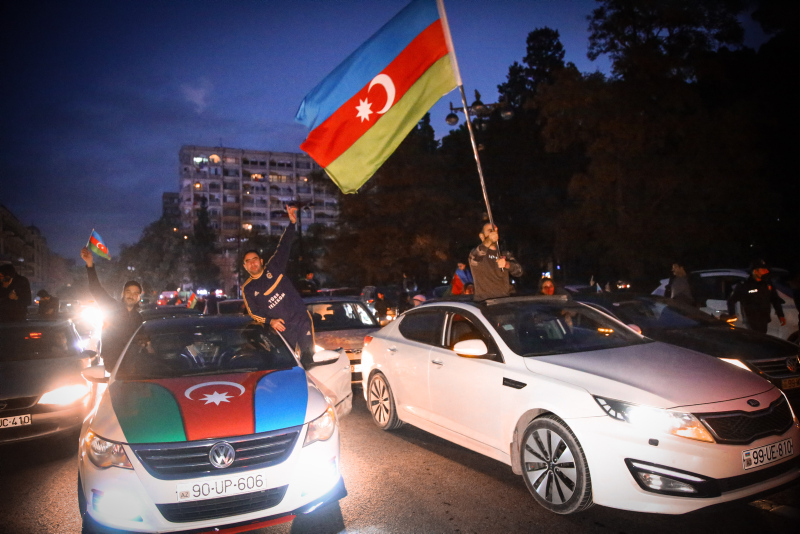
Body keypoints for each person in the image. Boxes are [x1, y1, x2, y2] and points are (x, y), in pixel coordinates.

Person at [241, 205, 315, 366]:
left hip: (300, 319)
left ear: (261, 261)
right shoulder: (248, 288)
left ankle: (309, 389)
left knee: (308, 359)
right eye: (248, 262)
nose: (253, 263)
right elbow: (254, 313)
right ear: (245, 267)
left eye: (255, 259)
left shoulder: (274, 267)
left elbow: (284, 245)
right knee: (285, 364)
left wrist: (292, 223)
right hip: (281, 328)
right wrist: (271, 322)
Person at [80, 247, 143, 371]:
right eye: (128, 292)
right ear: (123, 293)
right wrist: (90, 264)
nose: (131, 295)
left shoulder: (139, 318)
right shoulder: (112, 307)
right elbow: (95, 288)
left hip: (136, 369)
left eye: (135, 293)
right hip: (115, 367)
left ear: (139, 297)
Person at [726, 260, 786, 334]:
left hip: (764, 319)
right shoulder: (744, 285)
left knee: (762, 339)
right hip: (751, 321)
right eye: (763, 270)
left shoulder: (767, 285)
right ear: (755, 271)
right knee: (755, 340)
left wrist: (781, 315)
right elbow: (731, 300)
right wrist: (732, 314)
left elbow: (775, 299)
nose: (766, 271)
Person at [468, 222, 522, 301]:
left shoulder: (504, 253)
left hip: (504, 301)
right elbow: (476, 256)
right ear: (481, 236)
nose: (494, 233)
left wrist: (507, 264)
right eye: (490, 231)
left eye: (495, 231)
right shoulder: (476, 253)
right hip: (485, 303)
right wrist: (489, 240)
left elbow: (519, 271)